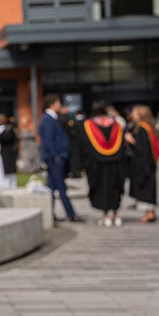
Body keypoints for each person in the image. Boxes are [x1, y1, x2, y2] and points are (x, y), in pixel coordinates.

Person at [82, 102, 126, 227]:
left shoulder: (89, 125)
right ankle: (116, 215)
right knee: (115, 187)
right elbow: (122, 145)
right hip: (116, 163)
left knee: (102, 188)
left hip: (98, 165)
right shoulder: (116, 125)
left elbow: (85, 146)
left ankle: (106, 216)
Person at [39, 94, 81, 223]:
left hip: (56, 157)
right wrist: (55, 156)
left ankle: (49, 213)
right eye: (58, 103)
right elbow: (48, 140)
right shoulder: (47, 119)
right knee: (61, 187)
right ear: (52, 104)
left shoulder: (53, 118)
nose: (60, 106)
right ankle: (71, 213)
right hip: (55, 159)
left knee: (51, 187)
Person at [124, 104, 159, 223]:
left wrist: (131, 140)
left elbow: (142, 148)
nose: (132, 115)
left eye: (134, 113)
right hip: (148, 163)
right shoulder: (147, 127)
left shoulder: (143, 129)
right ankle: (150, 212)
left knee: (145, 188)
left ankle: (149, 213)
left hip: (144, 165)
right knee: (148, 187)